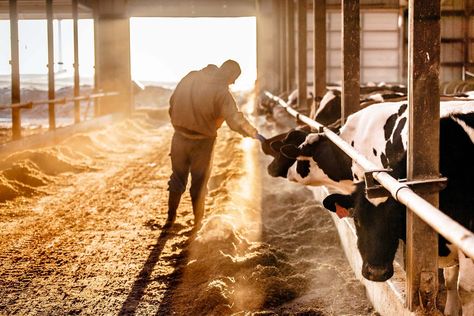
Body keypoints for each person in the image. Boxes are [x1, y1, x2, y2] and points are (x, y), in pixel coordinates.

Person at [166, 59, 265, 229]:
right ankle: (197, 224)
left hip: (179, 137)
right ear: (229, 74)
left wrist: (180, 123)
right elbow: (235, 119)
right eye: (234, 78)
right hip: (203, 142)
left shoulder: (190, 77)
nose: (233, 82)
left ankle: (170, 218)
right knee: (199, 183)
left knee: (177, 177)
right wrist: (254, 133)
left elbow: (172, 102)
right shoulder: (222, 92)